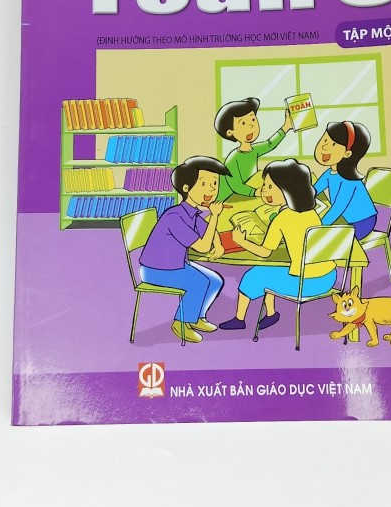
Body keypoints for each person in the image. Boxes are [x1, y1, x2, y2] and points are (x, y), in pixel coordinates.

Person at [221, 159, 337, 332]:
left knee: (253, 275)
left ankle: (239, 319)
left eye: (269, 186)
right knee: (269, 270)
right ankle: (271, 313)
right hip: (328, 278)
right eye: (264, 185)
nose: (263, 190)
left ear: (287, 190)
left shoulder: (282, 218)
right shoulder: (311, 212)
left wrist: (241, 241)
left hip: (305, 284)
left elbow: (265, 252)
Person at [138, 156, 229, 343]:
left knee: (215, 280)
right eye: (204, 184)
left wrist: (219, 244)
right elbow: (203, 247)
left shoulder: (192, 213)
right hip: (156, 270)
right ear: (186, 188)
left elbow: (209, 232)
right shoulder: (175, 216)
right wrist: (215, 216)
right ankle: (181, 323)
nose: (212, 189)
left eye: (215, 183)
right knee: (199, 283)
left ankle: (196, 317)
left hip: (177, 265)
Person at [213, 97, 295, 205]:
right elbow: (235, 186)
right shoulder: (233, 159)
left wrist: (286, 127)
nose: (251, 125)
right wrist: (255, 192)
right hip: (227, 198)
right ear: (230, 132)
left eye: (252, 120)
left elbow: (270, 144)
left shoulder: (254, 150)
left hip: (247, 191)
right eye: (243, 123)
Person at [312, 120, 378, 240]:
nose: (324, 146)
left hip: (361, 222)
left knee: (327, 240)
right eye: (325, 140)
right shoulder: (329, 173)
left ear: (347, 154)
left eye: (333, 144)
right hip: (343, 218)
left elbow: (338, 208)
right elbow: (314, 190)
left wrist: (319, 227)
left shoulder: (349, 181)